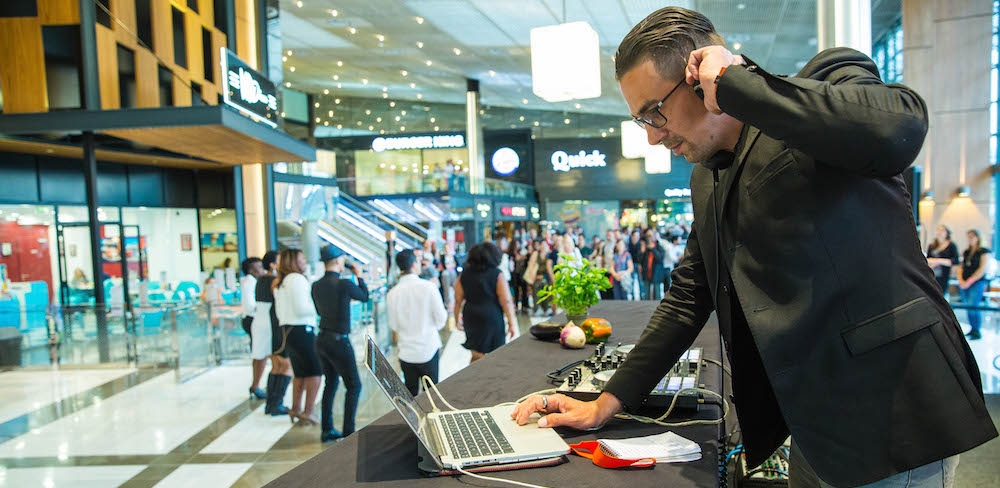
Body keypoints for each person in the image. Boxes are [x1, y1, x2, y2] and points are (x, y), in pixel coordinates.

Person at [512, 7, 995, 488]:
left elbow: (898, 129)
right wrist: (605, 403)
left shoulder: (822, 81)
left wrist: (738, 84)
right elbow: (688, 296)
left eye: (655, 112)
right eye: (642, 120)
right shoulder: (706, 177)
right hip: (811, 426)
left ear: (699, 77)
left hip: (890, 415)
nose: (654, 135)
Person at [312, 245, 370, 442]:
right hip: (339, 341)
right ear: (338, 261)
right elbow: (364, 296)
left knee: (330, 383)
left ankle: (327, 429)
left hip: (322, 339)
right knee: (354, 385)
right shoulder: (344, 284)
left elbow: (319, 310)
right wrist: (359, 275)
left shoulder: (316, 285)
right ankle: (348, 431)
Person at [386, 250, 448, 396]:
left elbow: (394, 326)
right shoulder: (429, 287)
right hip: (428, 348)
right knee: (431, 395)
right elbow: (441, 318)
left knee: (410, 394)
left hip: (406, 352)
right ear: (414, 265)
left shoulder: (392, 294)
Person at [273, 248, 322, 425]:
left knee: (300, 373)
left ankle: (296, 409)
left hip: (288, 330)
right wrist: (318, 308)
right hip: (303, 329)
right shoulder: (298, 279)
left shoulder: (282, 282)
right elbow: (302, 308)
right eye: (302, 259)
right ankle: (308, 411)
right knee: (315, 372)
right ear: (294, 261)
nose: (305, 261)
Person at [455, 242, 517, 362]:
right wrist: (511, 323)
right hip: (492, 317)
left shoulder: (464, 274)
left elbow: (458, 300)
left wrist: (457, 318)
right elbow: (506, 301)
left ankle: (475, 373)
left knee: (476, 356)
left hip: (471, 316)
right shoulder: (497, 274)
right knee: (496, 356)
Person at [256, 251, 291, 416]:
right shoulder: (275, 281)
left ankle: (271, 405)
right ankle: (276, 404)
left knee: (276, 364)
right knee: (285, 365)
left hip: (263, 324)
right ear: (272, 264)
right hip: (274, 325)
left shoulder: (261, 279)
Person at [240, 257, 267, 400]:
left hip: (253, 319)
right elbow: (250, 306)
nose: (262, 270)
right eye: (259, 267)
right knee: (260, 354)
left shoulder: (253, 281)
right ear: (251, 270)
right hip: (252, 319)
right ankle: (255, 386)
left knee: (259, 354)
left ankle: (255, 385)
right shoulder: (249, 282)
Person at [959, 229, 991, 341]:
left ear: (978, 238)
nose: (970, 239)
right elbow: (961, 267)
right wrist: (961, 280)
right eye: (969, 237)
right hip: (964, 282)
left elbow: (982, 269)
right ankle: (972, 329)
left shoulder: (984, 251)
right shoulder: (967, 251)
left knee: (973, 305)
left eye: (972, 236)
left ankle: (976, 330)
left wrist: (970, 281)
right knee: (968, 306)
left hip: (976, 282)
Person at [926, 225, 959, 297]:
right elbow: (928, 260)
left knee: (941, 294)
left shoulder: (951, 245)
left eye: (942, 230)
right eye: (938, 230)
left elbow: (955, 261)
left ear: (947, 233)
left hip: (944, 276)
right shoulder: (932, 245)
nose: (939, 232)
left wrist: (938, 261)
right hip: (932, 275)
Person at [641, 234, 665, 300]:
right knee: (646, 293)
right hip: (646, 273)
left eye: (651, 237)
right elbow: (640, 260)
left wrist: (653, 249)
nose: (650, 239)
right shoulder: (645, 248)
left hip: (656, 273)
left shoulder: (659, 247)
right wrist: (642, 251)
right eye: (649, 237)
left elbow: (659, 259)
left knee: (657, 293)